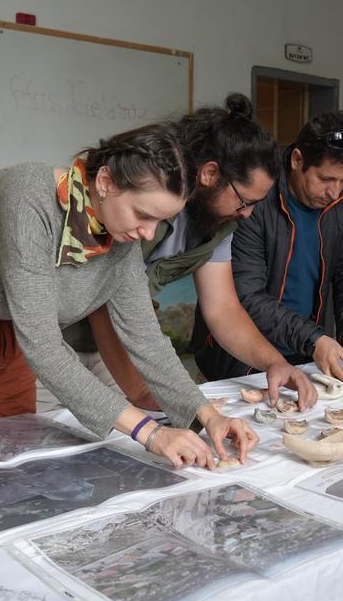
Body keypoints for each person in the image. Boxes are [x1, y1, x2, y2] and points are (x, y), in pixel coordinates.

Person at [0, 124, 256, 469]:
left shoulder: (120, 237)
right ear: (105, 182)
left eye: (160, 221)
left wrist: (205, 415)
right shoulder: (26, 197)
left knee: (5, 465)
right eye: (143, 215)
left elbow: (145, 337)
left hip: (9, 337)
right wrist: (150, 433)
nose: (149, 233)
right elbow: (46, 346)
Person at [63, 93, 318, 411]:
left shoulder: (218, 222)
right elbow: (103, 307)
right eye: (244, 201)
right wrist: (144, 395)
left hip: (116, 348)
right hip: (58, 344)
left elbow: (223, 309)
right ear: (210, 174)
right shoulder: (146, 203)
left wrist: (274, 362)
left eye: (256, 204)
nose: (247, 214)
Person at [193, 111, 343, 384]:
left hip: (307, 352)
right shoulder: (254, 198)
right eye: (326, 179)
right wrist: (312, 338)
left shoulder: (342, 199)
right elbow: (244, 296)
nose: (334, 192)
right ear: (297, 159)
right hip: (240, 359)